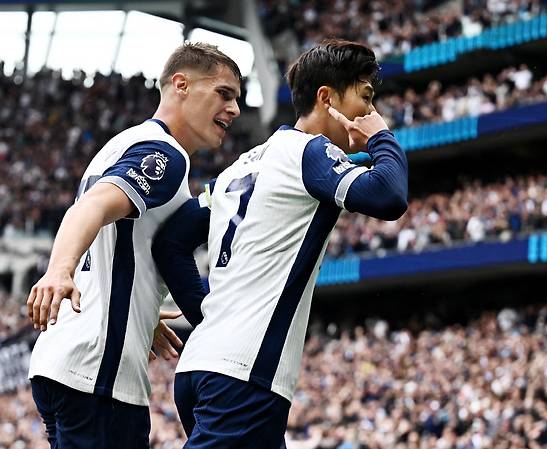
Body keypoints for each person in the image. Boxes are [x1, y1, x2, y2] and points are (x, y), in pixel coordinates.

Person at [152, 39, 408, 448]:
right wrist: (383, 138)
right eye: (365, 96)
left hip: (202, 366)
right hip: (243, 374)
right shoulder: (310, 152)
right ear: (327, 97)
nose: (371, 112)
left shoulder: (243, 164)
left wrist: (206, 316)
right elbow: (388, 195)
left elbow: (171, 243)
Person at [26, 42, 242, 449]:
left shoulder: (123, 143)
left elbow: (113, 239)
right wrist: (59, 269)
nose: (234, 110)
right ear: (180, 84)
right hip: (97, 375)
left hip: (67, 362)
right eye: (224, 94)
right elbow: (92, 207)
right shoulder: (165, 155)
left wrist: (138, 312)